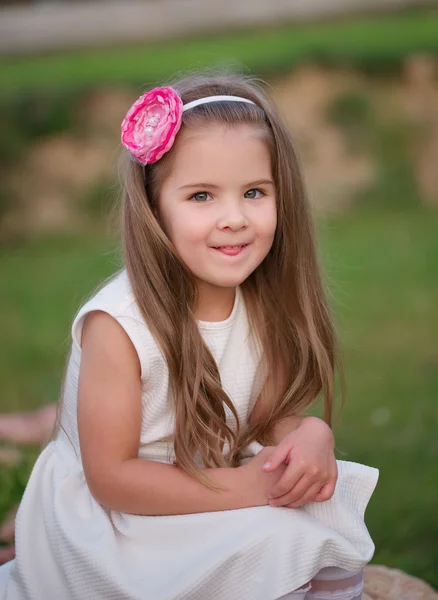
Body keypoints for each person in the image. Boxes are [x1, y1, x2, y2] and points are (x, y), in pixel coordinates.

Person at [0, 72, 378, 600]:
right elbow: (111, 478)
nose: (234, 219)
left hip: (205, 484)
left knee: (330, 520)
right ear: (155, 209)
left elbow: (267, 416)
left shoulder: (259, 302)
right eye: (201, 196)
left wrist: (310, 436)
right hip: (116, 525)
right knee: (280, 543)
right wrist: (246, 488)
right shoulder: (119, 325)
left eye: (254, 192)